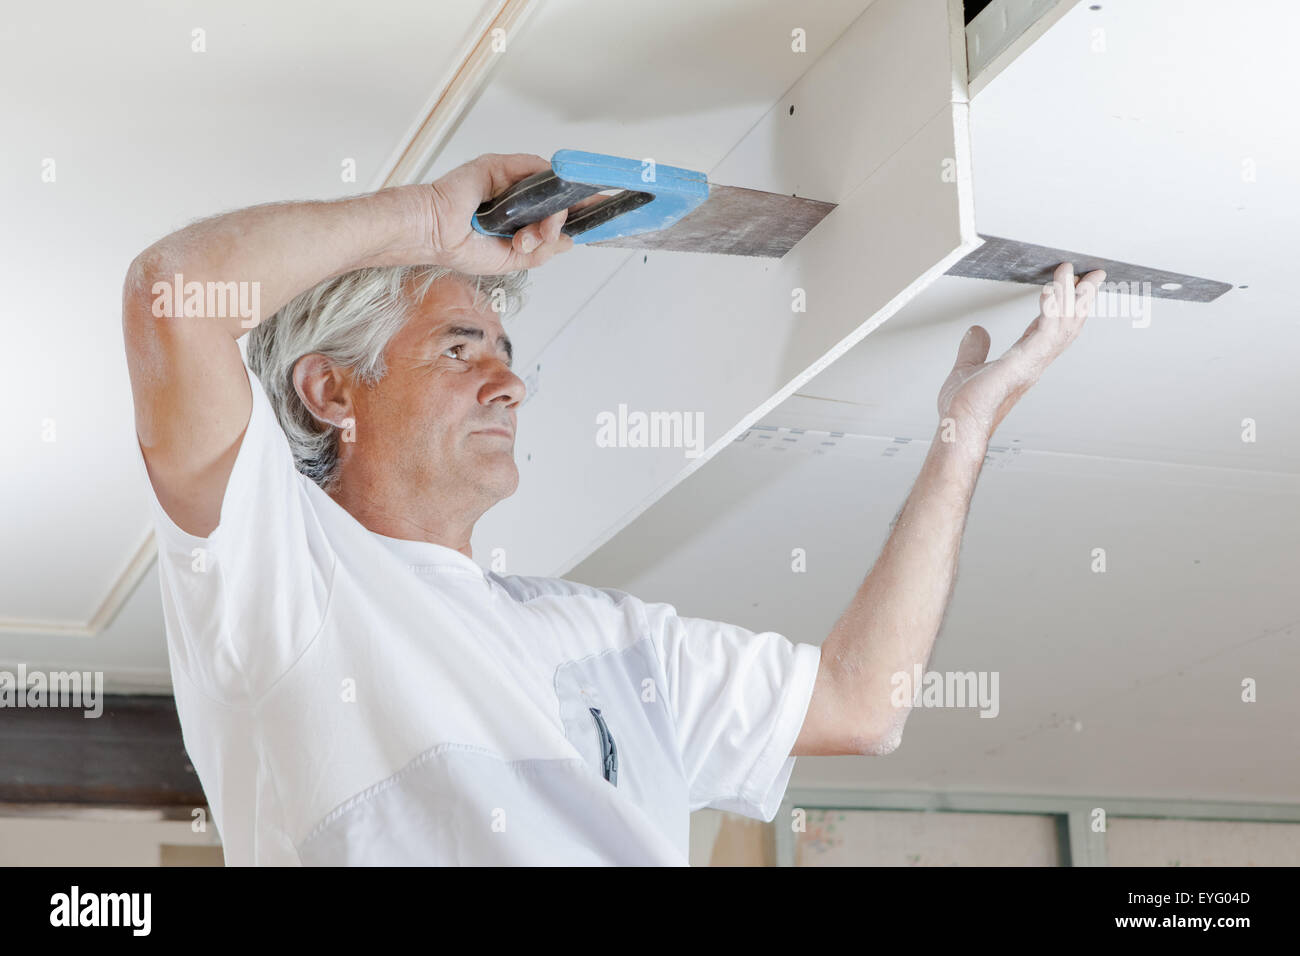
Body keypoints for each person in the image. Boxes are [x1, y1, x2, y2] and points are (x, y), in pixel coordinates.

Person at [122, 152, 1104, 865]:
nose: (509, 385)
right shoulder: (286, 581)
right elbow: (175, 292)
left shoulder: (601, 639)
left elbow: (862, 700)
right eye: (461, 348)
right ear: (334, 392)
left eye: (506, 357)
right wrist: (426, 218)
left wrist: (960, 435)